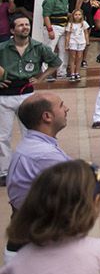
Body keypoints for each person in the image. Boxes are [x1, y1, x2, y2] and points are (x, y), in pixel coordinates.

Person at [0, 15, 62, 186]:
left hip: (27, 95)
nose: (25, 27)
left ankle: (32, 169)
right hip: (3, 95)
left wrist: (41, 77)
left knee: (31, 134)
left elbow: (56, 62)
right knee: (2, 136)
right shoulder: (3, 48)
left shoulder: (38, 47)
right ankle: (4, 172)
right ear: (12, 30)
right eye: (20, 25)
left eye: (27, 24)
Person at [4, 91, 70, 213]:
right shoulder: (44, 154)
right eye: (61, 106)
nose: (67, 109)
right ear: (47, 116)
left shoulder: (35, 145)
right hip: (42, 227)